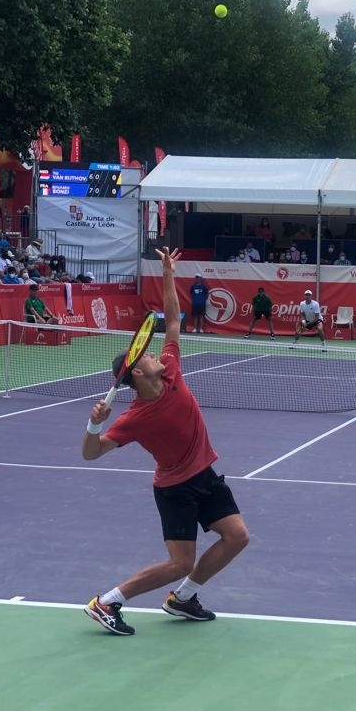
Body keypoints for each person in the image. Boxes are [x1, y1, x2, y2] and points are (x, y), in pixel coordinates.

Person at [82, 247, 249, 636]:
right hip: (175, 489)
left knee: (237, 536)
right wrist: (93, 427)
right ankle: (106, 602)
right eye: (146, 356)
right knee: (179, 563)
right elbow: (92, 454)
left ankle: (183, 598)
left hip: (205, 475)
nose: (156, 354)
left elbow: (173, 318)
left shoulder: (171, 368)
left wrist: (168, 273)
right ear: (137, 374)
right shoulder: (135, 417)